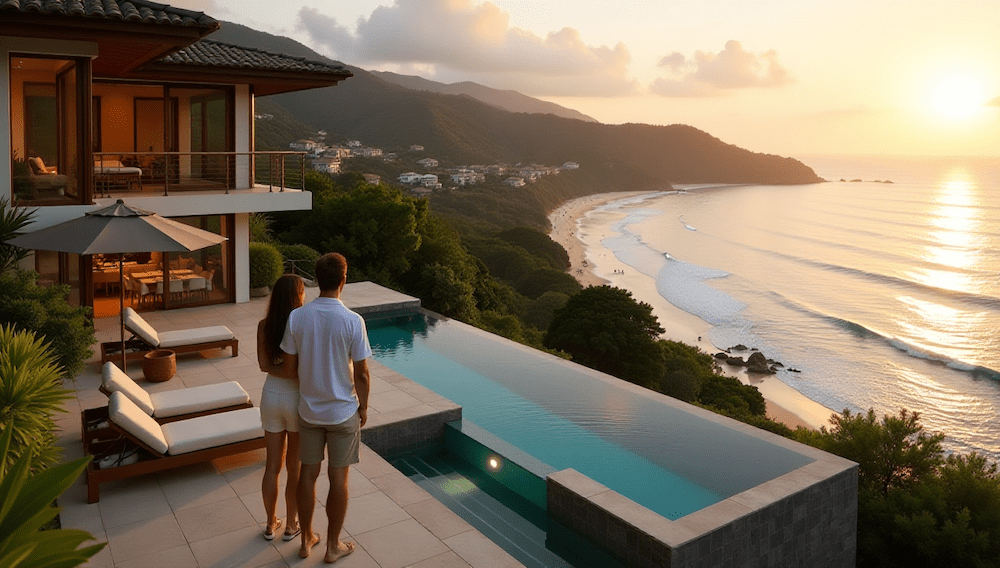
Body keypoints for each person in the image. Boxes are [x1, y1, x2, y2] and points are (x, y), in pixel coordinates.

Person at [279, 253, 371, 562]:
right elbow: (361, 373)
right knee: (338, 479)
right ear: (344, 279)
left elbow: (290, 368)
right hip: (342, 412)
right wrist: (364, 408)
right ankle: (332, 546)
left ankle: (306, 541)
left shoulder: (297, 317)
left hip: (309, 412)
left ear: (316, 280)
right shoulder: (353, 321)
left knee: (307, 474)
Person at [256, 274, 305, 542]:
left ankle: (269, 523)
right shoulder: (301, 326)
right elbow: (298, 369)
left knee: (271, 466)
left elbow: (264, 365)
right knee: (293, 468)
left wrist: (280, 372)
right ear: (297, 296)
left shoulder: (264, 325)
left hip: (270, 396)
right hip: (296, 399)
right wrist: (291, 372)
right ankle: (291, 525)